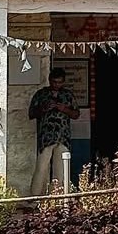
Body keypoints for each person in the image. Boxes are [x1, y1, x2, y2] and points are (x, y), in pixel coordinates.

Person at [28, 67, 80, 197]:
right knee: (41, 168)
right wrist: (44, 108)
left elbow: (76, 114)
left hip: (63, 137)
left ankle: (58, 198)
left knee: (61, 169)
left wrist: (64, 109)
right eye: (54, 82)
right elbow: (31, 113)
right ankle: (35, 199)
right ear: (50, 80)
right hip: (46, 137)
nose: (57, 85)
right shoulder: (41, 94)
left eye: (59, 82)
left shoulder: (68, 95)